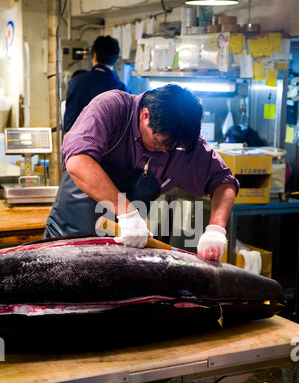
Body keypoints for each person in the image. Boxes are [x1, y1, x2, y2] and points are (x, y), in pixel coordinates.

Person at [44, 84, 239, 262]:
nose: (165, 152)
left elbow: (223, 180)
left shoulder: (181, 142)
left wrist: (216, 229)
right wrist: (127, 213)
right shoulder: (112, 108)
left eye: (173, 148)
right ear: (145, 116)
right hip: (67, 243)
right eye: (160, 144)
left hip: (121, 255)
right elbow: (78, 161)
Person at [63, 35, 129, 133]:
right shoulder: (120, 88)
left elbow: (68, 122)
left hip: (74, 143)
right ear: (116, 60)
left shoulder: (75, 81)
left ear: (94, 55)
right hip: (105, 147)